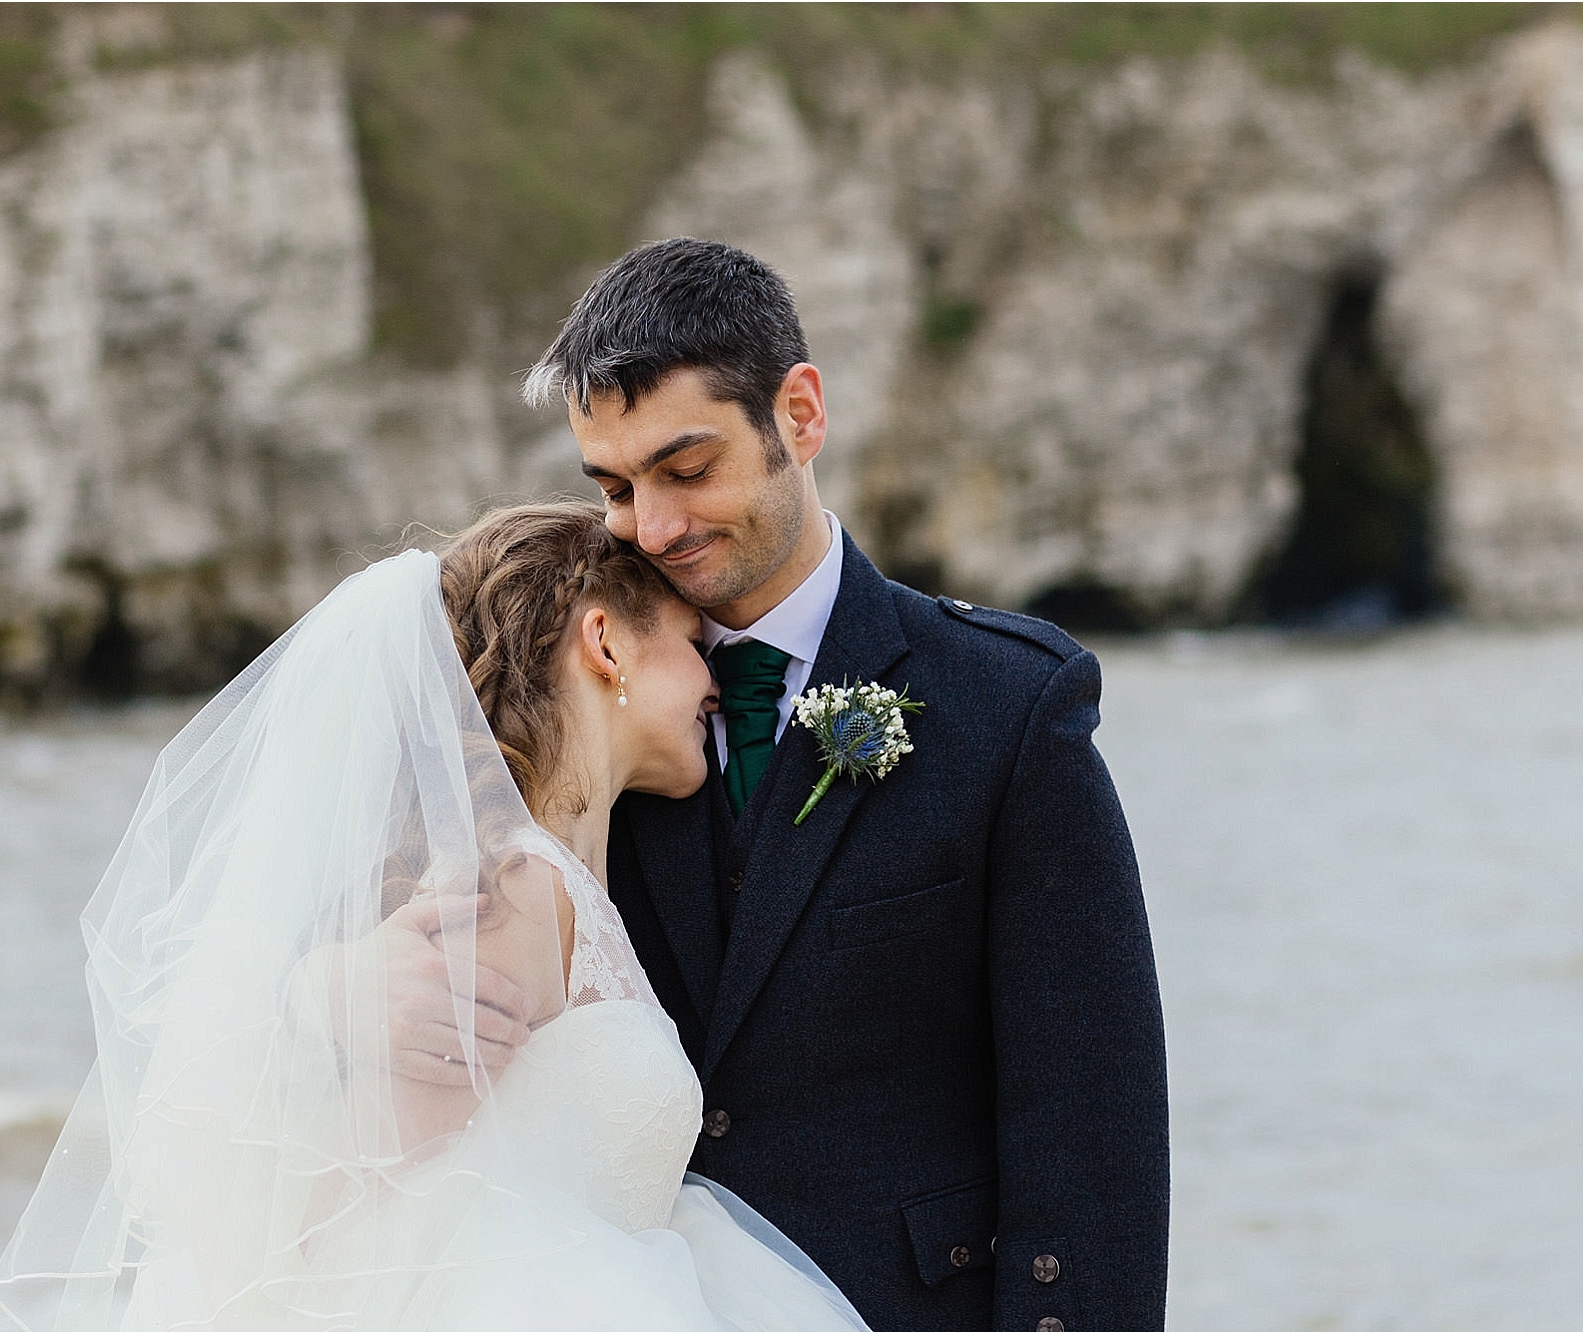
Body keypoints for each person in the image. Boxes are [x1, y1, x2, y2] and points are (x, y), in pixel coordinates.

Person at [396, 238, 1172, 1331]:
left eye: (686, 467)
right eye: (613, 487)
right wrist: (332, 995)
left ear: (798, 416)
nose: (650, 528)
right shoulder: (560, 716)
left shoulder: (1005, 709)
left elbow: (1088, 1126)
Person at [0, 503, 868, 1330]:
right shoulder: (508, 893)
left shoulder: (553, 872)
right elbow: (331, 1216)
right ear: (604, 643)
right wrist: (323, 1001)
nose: (716, 670)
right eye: (686, 639)